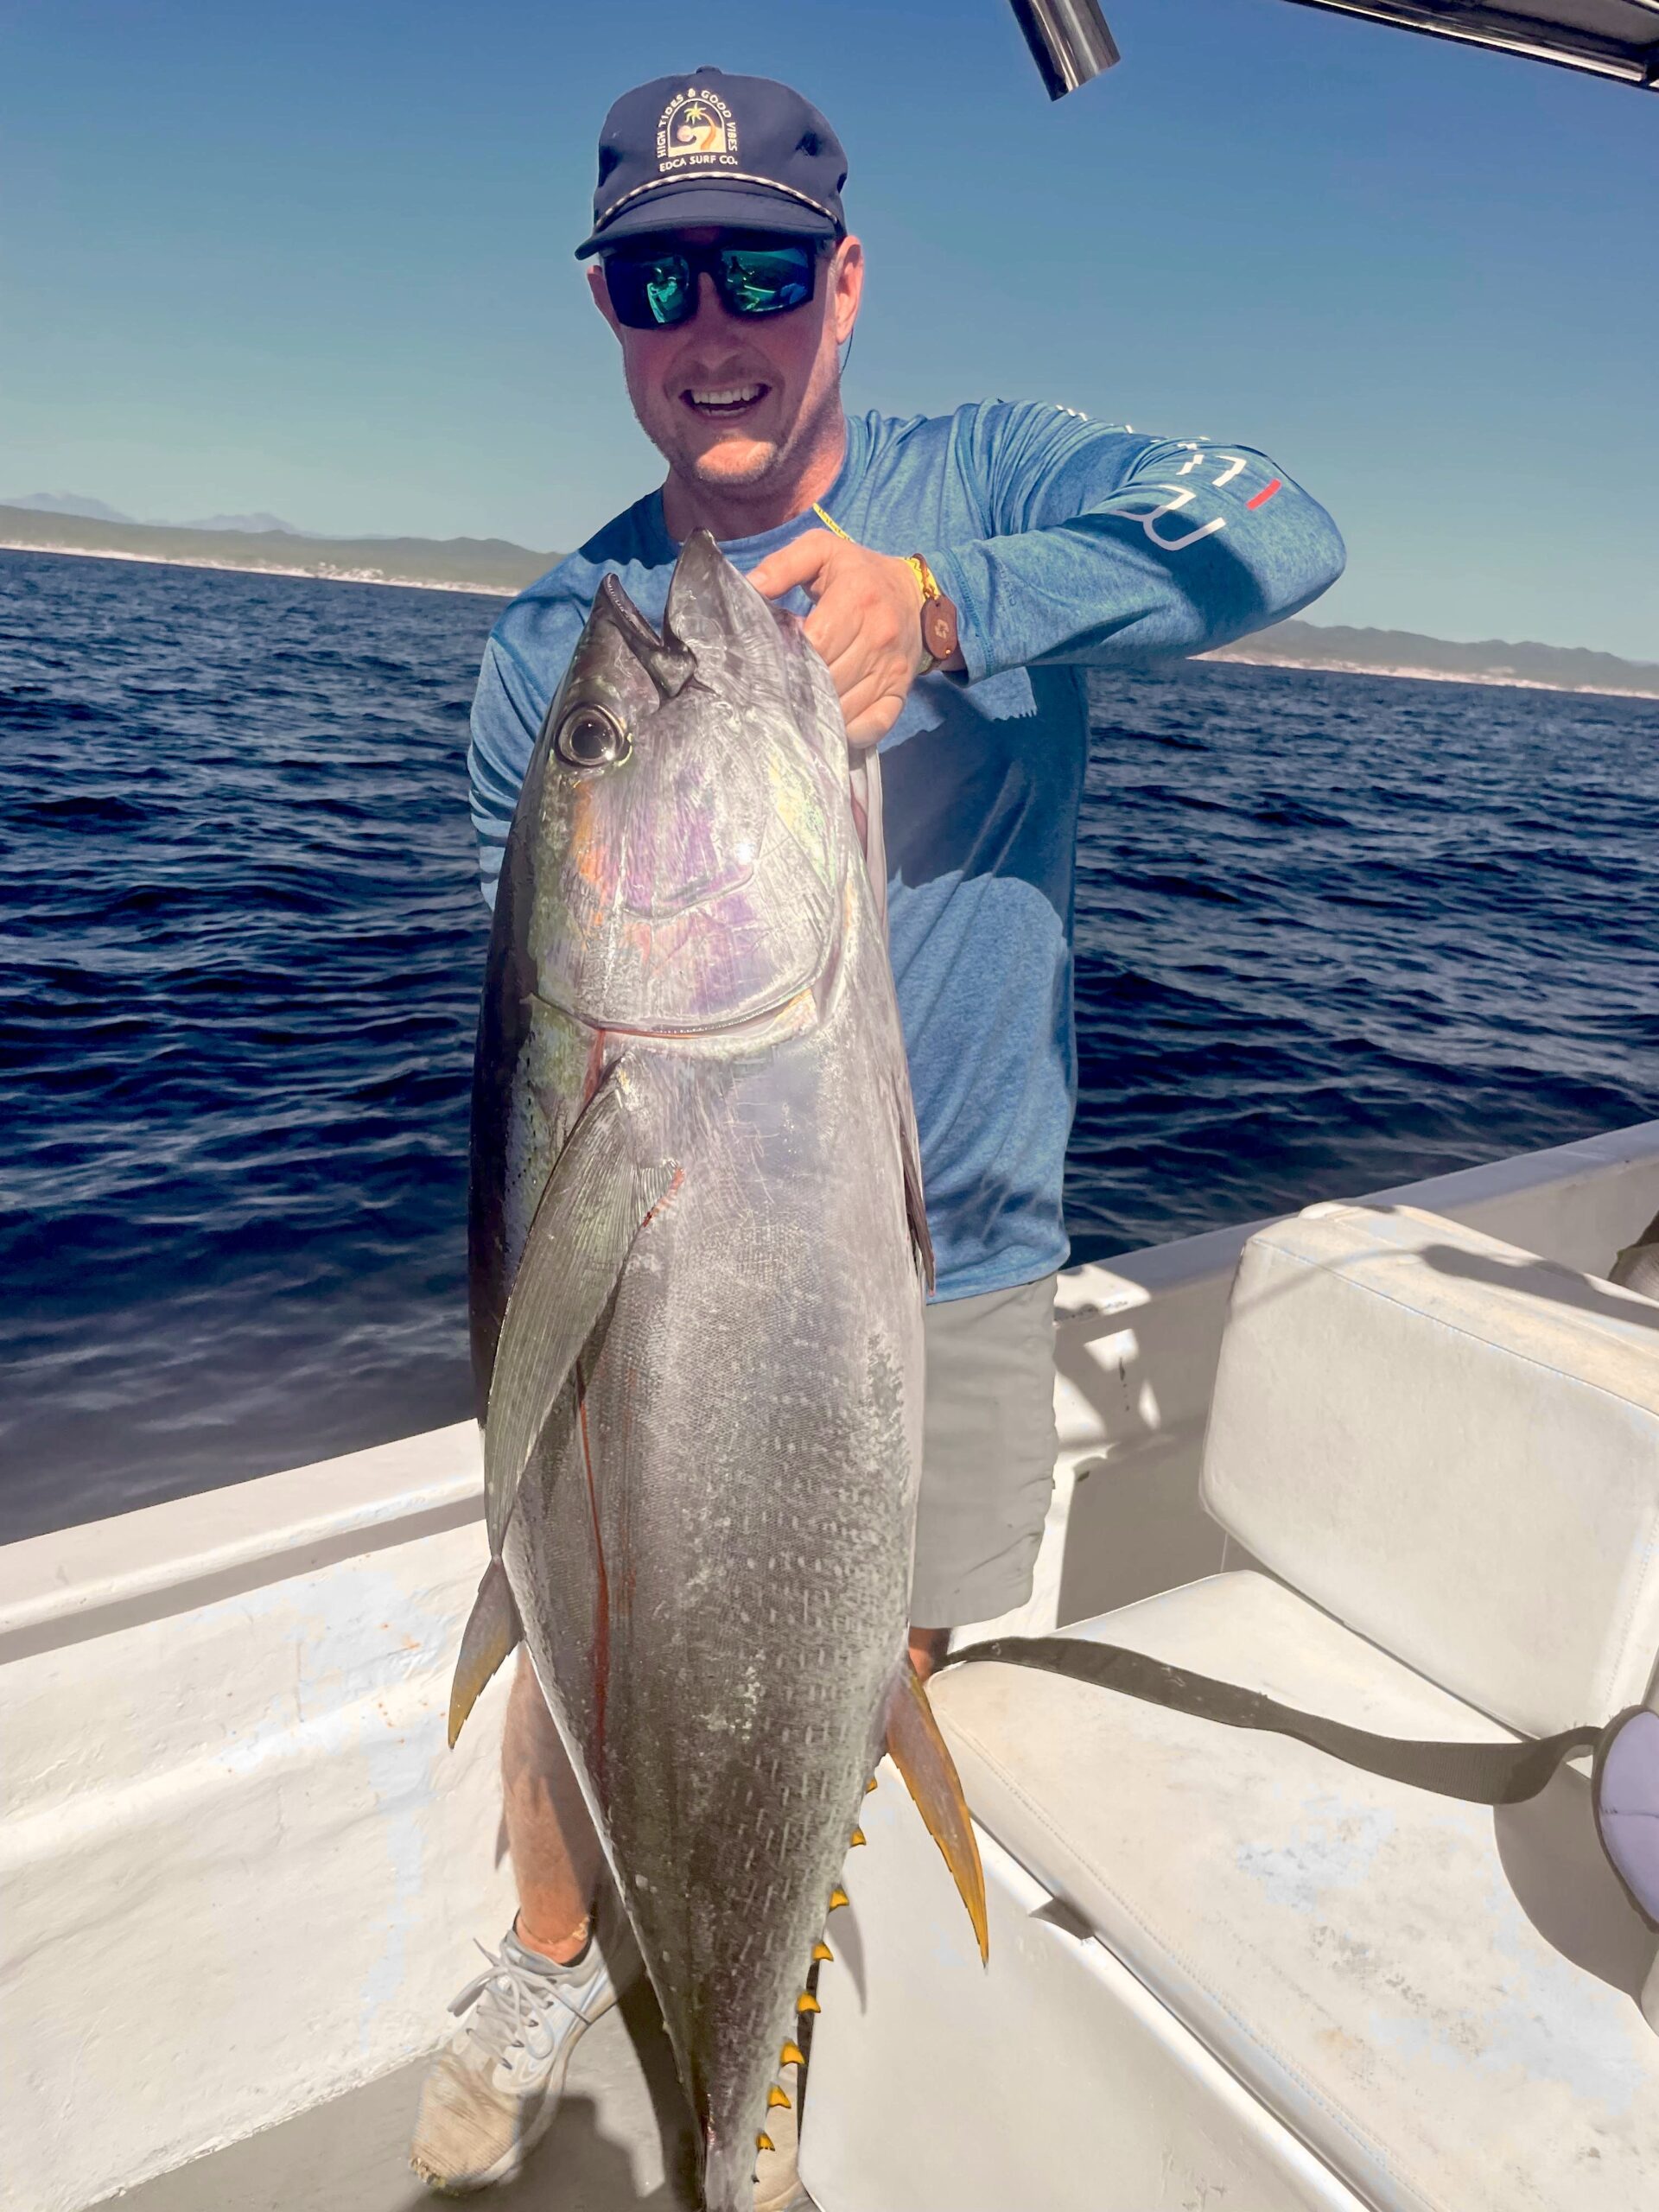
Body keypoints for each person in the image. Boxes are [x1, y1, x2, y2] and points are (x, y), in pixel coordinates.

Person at [410, 65, 1344, 2207]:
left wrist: (945, 610)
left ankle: (750, 2091)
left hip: (965, 1262)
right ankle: (560, 1956)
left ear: (841, 280)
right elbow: (533, 1038)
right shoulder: (559, 642)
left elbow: (1287, 521)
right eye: (657, 281)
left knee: (844, 1652)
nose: (709, 327)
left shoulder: (991, 479)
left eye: (753, 270)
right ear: (611, 309)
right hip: (638, 1274)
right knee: (580, 1647)